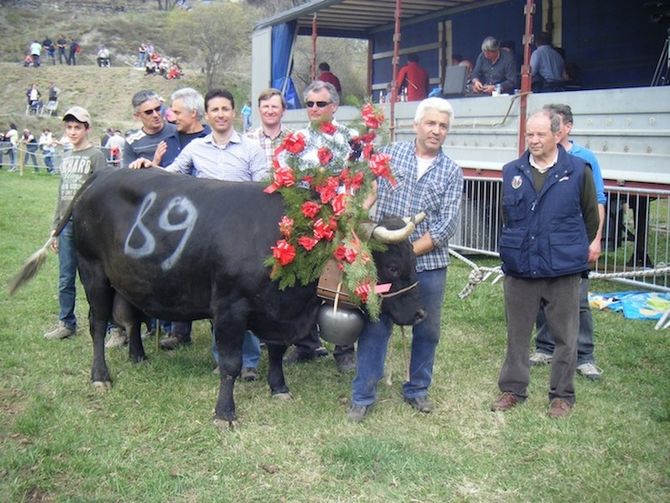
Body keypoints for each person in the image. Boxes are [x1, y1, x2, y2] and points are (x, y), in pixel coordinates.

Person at [130, 88, 267, 381]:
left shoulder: (251, 149)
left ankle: (251, 361)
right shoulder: (197, 148)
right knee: (221, 296)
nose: (220, 114)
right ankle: (223, 357)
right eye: (214, 110)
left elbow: (263, 190)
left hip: (245, 236)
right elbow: (172, 175)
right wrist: (149, 166)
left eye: (225, 109)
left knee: (247, 296)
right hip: (210, 236)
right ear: (207, 115)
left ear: (234, 112)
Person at [347, 97, 463, 422]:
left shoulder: (452, 172)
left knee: (427, 329)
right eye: (431, 123)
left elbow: (445, 226)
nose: (436, 130)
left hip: (428, 266)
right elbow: (368, 190)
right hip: (385, 265)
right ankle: (363, 395)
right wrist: (356, 212)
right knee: (375, 324)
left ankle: (417, 389)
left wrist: (406, 253)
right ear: (416, 125)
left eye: (442, 126)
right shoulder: (390, 154)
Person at [491, 110, 600, 419]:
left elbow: (590, 219)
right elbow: (506, 218)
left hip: (562, 270)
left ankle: (562, 395)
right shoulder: (511, 171)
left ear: (557, 135)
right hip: (521, 268)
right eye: (530, 134)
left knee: (566, 336)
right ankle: (513, 389)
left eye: (540, 134)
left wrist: (566, 249)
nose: (534, 140)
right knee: (517, 333)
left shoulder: (578, 171)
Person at [280, 81, 357, 372]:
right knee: (303, 281)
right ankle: (306, 343)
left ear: (334, 106)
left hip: (340, 216)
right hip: (304, 216)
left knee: (342, 280)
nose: (314, 109)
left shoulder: (351, 138)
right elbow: (284, 175)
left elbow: (358, 179)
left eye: (320, 104)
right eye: (309, 104)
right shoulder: (295, 138)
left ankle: (344, 348)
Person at [529, 104, 606, 380]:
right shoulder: (533, 157)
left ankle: (584, 356)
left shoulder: (584, 159)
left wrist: (594, 240)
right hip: (542, 246)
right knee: (541, 296)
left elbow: (596, 202)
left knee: (579, 300)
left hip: (572, 246)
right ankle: (545, 347)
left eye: (553, 124)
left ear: (565, 128)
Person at [43, 107, 108, 340]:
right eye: (69, 127)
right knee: (65, 276)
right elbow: (62, 194)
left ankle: (109, 326)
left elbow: (103, 192)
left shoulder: (96, 156)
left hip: (89, 226)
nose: (72, 132)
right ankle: (66, 323)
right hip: (67, 226)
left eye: (77, 127)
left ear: (87, 129)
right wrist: (55, 227)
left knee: (95, 277)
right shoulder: (67, 156)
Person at [122, 90, 180, 169]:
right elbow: (128, 174)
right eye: (148, 112)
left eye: (158, 109)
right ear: (137, 116)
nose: (155, 115)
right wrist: (154, 162)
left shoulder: (177, 131)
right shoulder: (132, 141)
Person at [245, 88, 291, 168]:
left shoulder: (294, 138)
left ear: (283, 110)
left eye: (274, 107)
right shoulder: (247, 139)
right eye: (266, 106)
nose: (270, 111)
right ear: (259, 110)